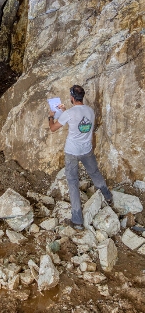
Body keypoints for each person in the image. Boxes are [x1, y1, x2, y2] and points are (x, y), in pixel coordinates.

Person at [48, 84, 112, 230]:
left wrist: (51, 117)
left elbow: (53, 128)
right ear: (81, 97)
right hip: (87, 149)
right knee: (94, 172)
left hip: (72, 152)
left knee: (72, 182)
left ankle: (77, 220)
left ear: (72, 98)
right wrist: (65, 111)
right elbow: (79, 121)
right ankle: (108, 196)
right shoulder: (90, 111)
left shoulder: (69, 114)